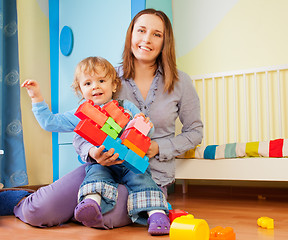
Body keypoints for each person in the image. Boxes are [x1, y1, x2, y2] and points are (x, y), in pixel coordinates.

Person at [0, 8, 203, 231]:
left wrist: (157, 147)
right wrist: (93, 152)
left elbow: (195, 132)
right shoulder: (105, 77)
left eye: (157, 34)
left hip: (149, 174)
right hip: (100, 166)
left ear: (166, 41)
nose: (146, 39)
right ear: (131, 35)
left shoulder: (180, 81)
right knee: (37, 212)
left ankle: (83, 207)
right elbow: (81, 128)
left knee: (105, 217)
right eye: (141, 30)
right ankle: (17, 198)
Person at [70, 57, 170, 235]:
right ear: (80, 89)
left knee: (142, 178)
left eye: (101, 81)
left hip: (129, 161)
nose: (95, 86)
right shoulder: (84, 116)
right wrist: (93, 152)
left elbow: (148, 130)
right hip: (102, 163)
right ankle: (91, 204)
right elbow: (79, 142)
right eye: (88, 83)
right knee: (94, 173)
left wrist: (143, 123)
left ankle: (157, 213)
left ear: (114, 85)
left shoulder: (126, 107)